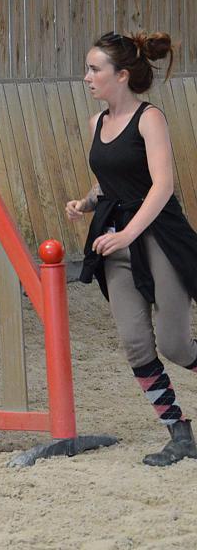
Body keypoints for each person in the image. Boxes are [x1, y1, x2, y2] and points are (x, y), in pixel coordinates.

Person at [66, 30, 197, 466]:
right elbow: (109, 178)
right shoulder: (96, 123)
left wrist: (128, 233)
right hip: (115, 239)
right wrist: (88, 201)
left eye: (94, 69)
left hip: (158, 235)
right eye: (88, 68)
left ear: (121, 75)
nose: (87, 77)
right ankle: (179, 433)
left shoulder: (149, 118)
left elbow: (163, 186)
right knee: (137, 344)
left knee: (176, 345)